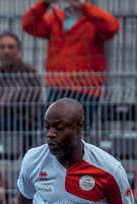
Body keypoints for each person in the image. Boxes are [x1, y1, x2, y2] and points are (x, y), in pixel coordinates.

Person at [22, 0, 120, 128]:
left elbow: (112, 27)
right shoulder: (56, 19)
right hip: (58, 86)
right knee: (50, 132)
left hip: (86, 89)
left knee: (78, 134)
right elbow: (28, 24)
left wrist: (84, 7)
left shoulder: (93, 19)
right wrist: (44, 3)